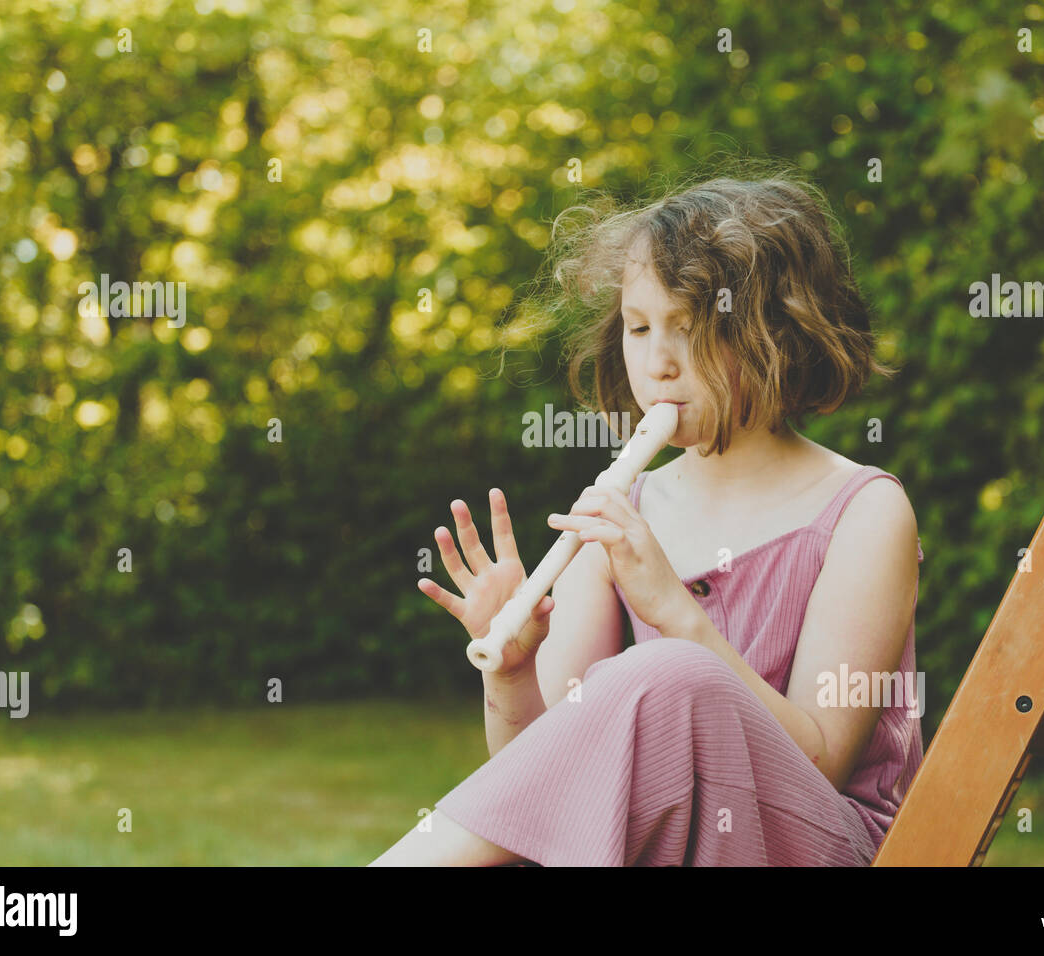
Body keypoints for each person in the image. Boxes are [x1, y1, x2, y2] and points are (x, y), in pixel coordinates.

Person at [369, 171, 924, 866]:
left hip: (825, 844)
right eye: (638, 327)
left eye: (689, 328)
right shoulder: (619, 513)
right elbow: (542, 799)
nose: (657, 363)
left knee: (669, 673)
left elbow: (820, 764)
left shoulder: (866, 512)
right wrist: (510, 673)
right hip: (674, 849)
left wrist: (678, 615)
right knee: (660, 677)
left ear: (778, 336)